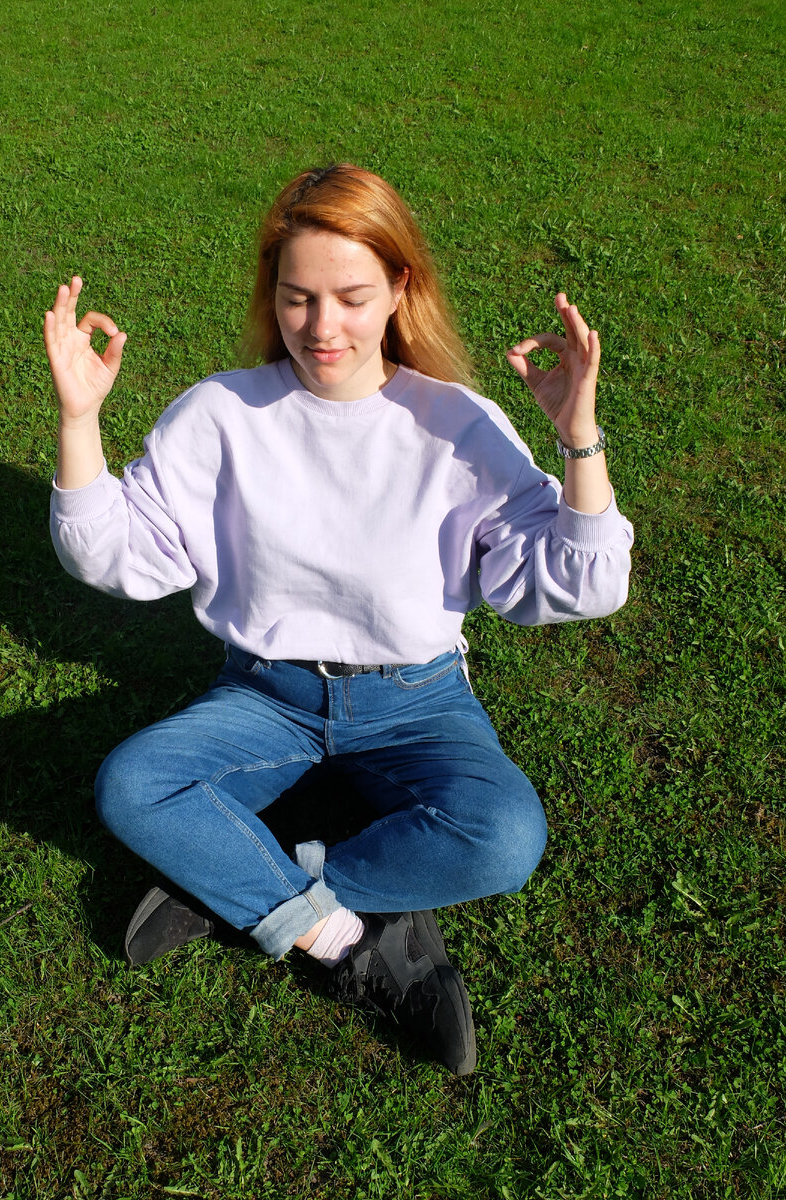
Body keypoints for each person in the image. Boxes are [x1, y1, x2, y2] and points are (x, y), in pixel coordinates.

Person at [45, 164, 633, 1077]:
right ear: (271, 294)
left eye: (352, 298)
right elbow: (119, 555)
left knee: (505, 836)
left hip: (418, 702)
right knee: (134, 785)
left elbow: (579, 584)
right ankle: (340, 936)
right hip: (265, 697)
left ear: (400, 288)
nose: (323, 328)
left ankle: (239, 880)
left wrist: (578, 438)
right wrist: (79, 419)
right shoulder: (222, 412)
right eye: (298, 299)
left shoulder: (457, 424)